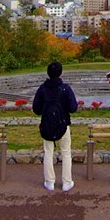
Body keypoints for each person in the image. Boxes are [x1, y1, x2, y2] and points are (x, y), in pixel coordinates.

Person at [32, 61, 78, 192]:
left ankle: (49, 181)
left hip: (46, 124)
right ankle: (67, 182)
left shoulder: (42, 88)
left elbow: (36, 108)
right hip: (63, 123)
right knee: (66, 152)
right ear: (60, 72)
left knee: (48, 152)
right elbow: (73, 108)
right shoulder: (65, 88)